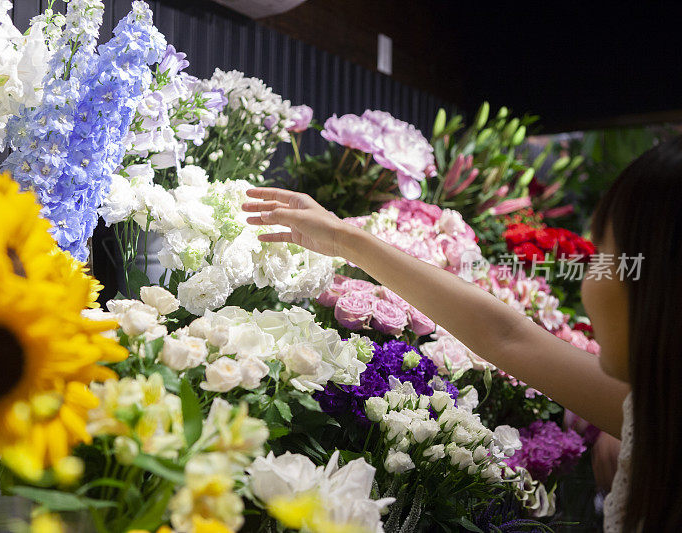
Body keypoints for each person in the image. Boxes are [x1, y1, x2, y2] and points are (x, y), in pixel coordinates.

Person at [242, 135, 682, 531]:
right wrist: (343, 239)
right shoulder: (655, 407)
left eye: (607, 256)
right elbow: (507, 336)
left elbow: (509, 337)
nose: (591, 277)